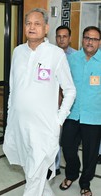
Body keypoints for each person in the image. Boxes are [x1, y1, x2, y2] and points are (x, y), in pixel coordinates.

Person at [3, 8, 76, 196]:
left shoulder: (55, 55)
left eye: (37, 23)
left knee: (32, 178)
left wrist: (58, 121)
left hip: (44, 130)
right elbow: (14, 89)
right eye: (28, 23)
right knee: (28, 169)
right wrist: (10, 121)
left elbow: (70, 90)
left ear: (46, 28)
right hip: (19, 127)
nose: (32, 27)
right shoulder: (18, 52)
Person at [59, 26, 101, 196]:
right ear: (82, 39)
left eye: (94, 39)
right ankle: (72, 173)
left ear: (99, 42)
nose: (90, 42)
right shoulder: (72, 59)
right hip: (72, 113)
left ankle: (85, 184)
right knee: (67, 146)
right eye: (87, 38)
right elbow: (63, 84)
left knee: (90, 154)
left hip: (94, 116)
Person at [55, 25, 77, 175]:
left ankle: (71, 170)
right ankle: (55, 167)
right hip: (52, 103)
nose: (61, 39)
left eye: (65, 36)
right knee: (54, 138)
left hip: (70, 105)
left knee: (68, 142)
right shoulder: (51, 54)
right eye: (59, 36)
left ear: (70, 38)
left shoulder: (76, 56)